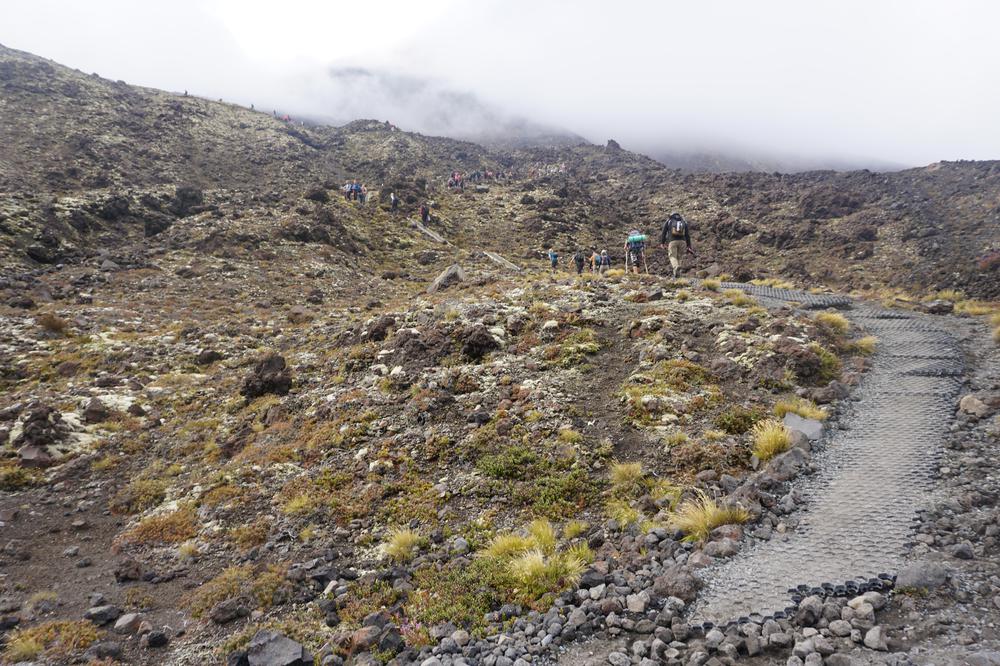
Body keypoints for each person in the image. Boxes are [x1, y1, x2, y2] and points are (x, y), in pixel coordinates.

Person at [659, 212, 693, 278]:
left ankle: (676, 267)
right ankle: (677, 275)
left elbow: (664, 232)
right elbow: (687, 235)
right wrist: (689, 246)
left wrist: (662, 243)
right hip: (683, 242)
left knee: (672, 256)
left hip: (672, 241)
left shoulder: (669, 221)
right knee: (680, 257)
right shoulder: (683, 221)